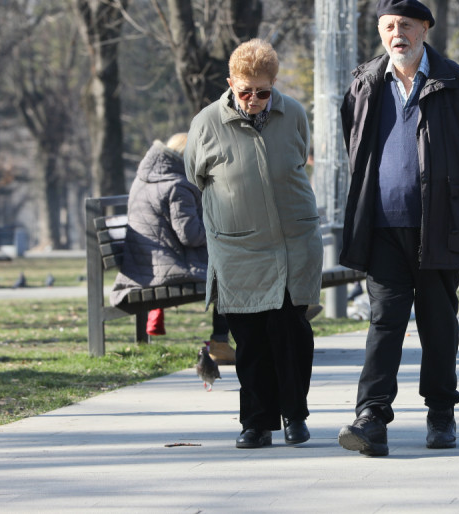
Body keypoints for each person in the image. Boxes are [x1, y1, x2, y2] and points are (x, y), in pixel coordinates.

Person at [336, 0, 459, 457]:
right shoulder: (365, 83)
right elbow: (354, 143)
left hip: (440, 226)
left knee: (438, 323)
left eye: (406, 25)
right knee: (384, 322)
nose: (397, 35)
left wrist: (456, 199)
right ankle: (371, 417)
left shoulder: (457, 82)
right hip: (382, 228)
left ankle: (441, 411)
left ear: (425, 29)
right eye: (389, 26)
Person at [185, 39, 323, 450]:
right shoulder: (207, 123)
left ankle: (295, 416)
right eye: (245, 91)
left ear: (274, 85)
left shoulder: (292, 113)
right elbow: (195, 175)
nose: (254, 100)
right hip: (238, 248)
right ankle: (256, 423)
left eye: (263, 92)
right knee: (250, 340)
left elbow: (299, 155)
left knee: (292, 334)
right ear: (231, 83)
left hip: (292, 241)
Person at [110, 134, 234, 365]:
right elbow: (191, 235)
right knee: (231, 274)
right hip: (169, 268)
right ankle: (221, 342)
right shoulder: (178, 185)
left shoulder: (145, 178)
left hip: (147, 266)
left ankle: (227, 341)